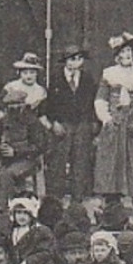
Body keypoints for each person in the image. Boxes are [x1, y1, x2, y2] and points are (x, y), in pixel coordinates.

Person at [92, 32, 133, 211]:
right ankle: (112, 201)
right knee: (112, 160)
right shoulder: (109, 74)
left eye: (129, 51)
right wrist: (106, 119)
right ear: (117, 56)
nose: (127, 55)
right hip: (115, 123)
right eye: (123, 52)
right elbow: (100, 99)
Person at [45, 44, 97, 202]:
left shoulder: (87, 78)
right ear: (66, 61)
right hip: (63, 124)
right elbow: (49, 104)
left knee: (80, 161)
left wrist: (93, 122)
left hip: (82, 124)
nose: (76, 63)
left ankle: (78, 199)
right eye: (73, 59)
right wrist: (54, 122)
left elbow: (93, 102)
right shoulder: (55, 78)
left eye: (79, 59)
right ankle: (55, 198)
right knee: (58, 161)